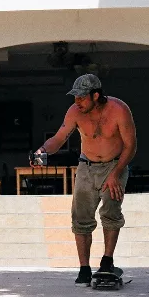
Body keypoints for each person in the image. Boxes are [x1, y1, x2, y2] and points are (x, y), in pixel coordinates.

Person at [33, 74, 137, 285]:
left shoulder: (119, 110)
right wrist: (42, 150)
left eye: (81, 97)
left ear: (95, 95)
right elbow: (59, 138)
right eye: (75, 97)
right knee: (80, 217)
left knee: (110, 211)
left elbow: (131, 146)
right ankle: (84, 268)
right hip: (86, 166)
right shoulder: (75, 112)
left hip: (114, 165)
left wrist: (116, 173)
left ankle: (107, 261)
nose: (77, 102)